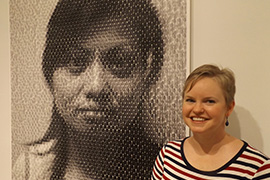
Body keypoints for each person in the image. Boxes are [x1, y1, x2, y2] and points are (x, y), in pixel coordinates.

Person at [13, 0, 165, 179]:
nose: (96, 86)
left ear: (148, 74)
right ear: (49, 73)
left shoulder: (170, 169)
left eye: (120, 62)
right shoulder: (29, 170)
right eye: (75, 61)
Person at [151, 64, 270, 179]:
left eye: (209, 101)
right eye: (190, 100)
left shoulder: (257, 167)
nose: (197, 109)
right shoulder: (168, 154)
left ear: (229, 108)